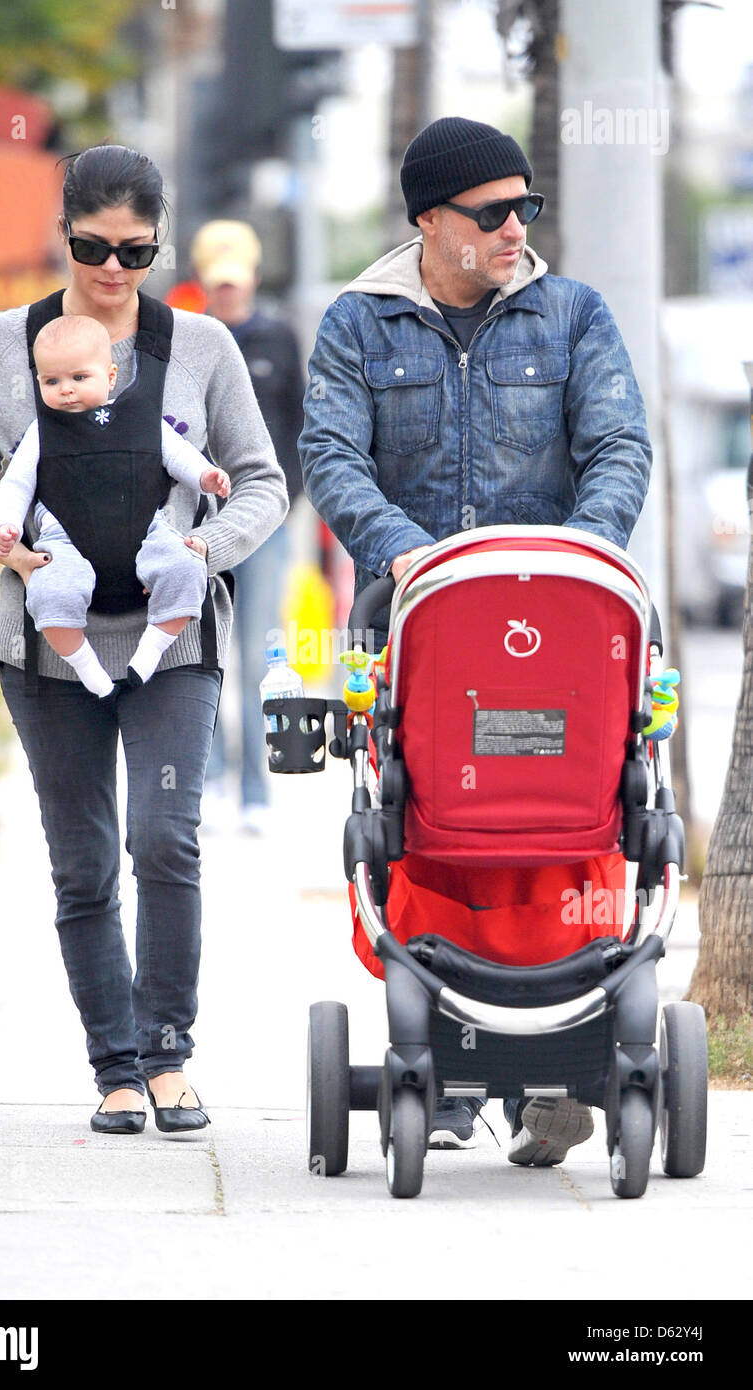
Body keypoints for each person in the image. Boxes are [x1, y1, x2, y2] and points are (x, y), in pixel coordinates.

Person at [299, 116, 652, 1161]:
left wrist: (579, 564)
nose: (514, 228)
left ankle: (564, 1042)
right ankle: (444, 1061)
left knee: (565, 807)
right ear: (428, 221)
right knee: (426, 816)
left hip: (553, 628)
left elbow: (618, 443)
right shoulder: (358, 327)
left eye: (524, 207)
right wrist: (404, 553)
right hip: (414, 630)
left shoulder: (572, 315)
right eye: (491, 211)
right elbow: (329, 452)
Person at [0, 145, 288, 1134]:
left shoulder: (202, 349)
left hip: (170, 638)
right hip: (48, 649)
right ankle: (115, 1067)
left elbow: (261, 480)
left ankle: (168, 1051)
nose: (112, 268)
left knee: (163, 837)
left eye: (134, 250)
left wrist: (202, 546)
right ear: (65, 236)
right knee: (83, 862)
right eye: (92, 246)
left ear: (159, 242)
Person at [0, 313, 230, 697]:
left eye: (79, 378)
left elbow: (178, 455)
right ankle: (86, 666)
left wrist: (205, 476)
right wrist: (7, 526)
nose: (66, 389)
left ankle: (151, 649)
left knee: (187, 570)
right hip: (63, 538)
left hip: (146, 528)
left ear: (111, 376)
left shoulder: (143, 419)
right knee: (49, 594)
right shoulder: (42, 432)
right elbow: (16, 484)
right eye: (52, 381)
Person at [190, 220, 306, 835]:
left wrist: (288, 499)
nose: (229, 292)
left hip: (264, 522)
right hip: (203, 523)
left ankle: (257, 788)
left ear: (254, 277)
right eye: (219, 283)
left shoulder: (279, 338)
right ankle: (208, 777)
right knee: (203, 648)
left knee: (262, 651)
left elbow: (300, 421)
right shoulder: (190, 339)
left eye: (237, 282)